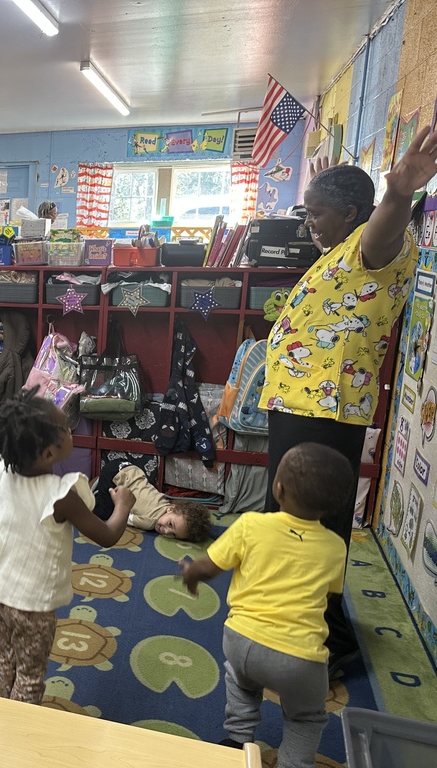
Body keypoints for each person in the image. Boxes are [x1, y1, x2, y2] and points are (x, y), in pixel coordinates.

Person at [257, 126, 437, 676]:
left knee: (305, 520)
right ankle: (304, 620)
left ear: (353, 211)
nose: (309, 223)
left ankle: (326, 642)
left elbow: (381, 232)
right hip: (308, 405)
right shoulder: (341, 251)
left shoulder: (374, 246)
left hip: (323, 411)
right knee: (301, 517)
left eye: (316, 214)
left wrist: (400, 192)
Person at [179, 443, 351, 768]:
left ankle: (238, 739)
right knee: (306, 718)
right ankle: (293, 763)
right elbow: (329, 596)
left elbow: (209, 565)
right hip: (300, 660)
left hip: (241, 641)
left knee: (241, 683)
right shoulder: (335, 547)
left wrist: (192, 574)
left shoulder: (250, 525)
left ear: (278, 487)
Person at [0, 390, 135, 704]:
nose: (71, 432)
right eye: (67, 430)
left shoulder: (6, 471)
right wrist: (124, 506)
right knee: (31, 677)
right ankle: (20, 731)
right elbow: (107, 536)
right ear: (48, 454)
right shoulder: (62, 494)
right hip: (32, 604)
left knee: (5, 657)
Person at [91, 461, 212, 541]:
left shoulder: (165, 502)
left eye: (173, 535)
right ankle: (93, 491)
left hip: (129, 467)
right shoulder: (149, 522)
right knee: (103, 513)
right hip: (114, 476)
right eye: (170, 524)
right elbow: (123, 516)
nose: (166, 531)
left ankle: (101, 485)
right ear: (171, 509)